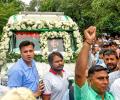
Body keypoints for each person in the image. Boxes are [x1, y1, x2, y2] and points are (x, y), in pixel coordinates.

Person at [74, 26, 114, 100]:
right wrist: (88, 42)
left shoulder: (110, 97)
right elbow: (79, 75)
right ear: (89, 80)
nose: (105, 82)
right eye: (100, 78)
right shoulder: (85, 96)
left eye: (107, 78)